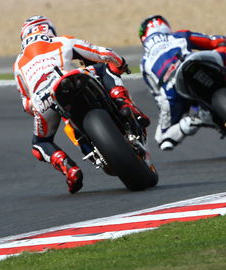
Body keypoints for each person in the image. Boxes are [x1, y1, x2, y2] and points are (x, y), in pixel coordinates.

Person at [14, 16, 149, 194]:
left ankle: (69, 169)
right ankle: (124, 103)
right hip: (73, 77)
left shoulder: (19, 64)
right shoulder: (62, 41)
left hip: (43, 98)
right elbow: (104, 53)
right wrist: (121, 63)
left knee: (40, 143)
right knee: (106, 66)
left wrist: (41, 107)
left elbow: (26, 104)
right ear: (48, 30)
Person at [139, 15, 226, 151]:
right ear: (165, 26)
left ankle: (194, 120)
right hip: (192, 61)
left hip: (172, 88)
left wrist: (173, 113)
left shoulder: (144, 63)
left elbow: (158, 96)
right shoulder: (179, 35)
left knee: (162, 139)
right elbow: (215, 41)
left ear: (143, 37)